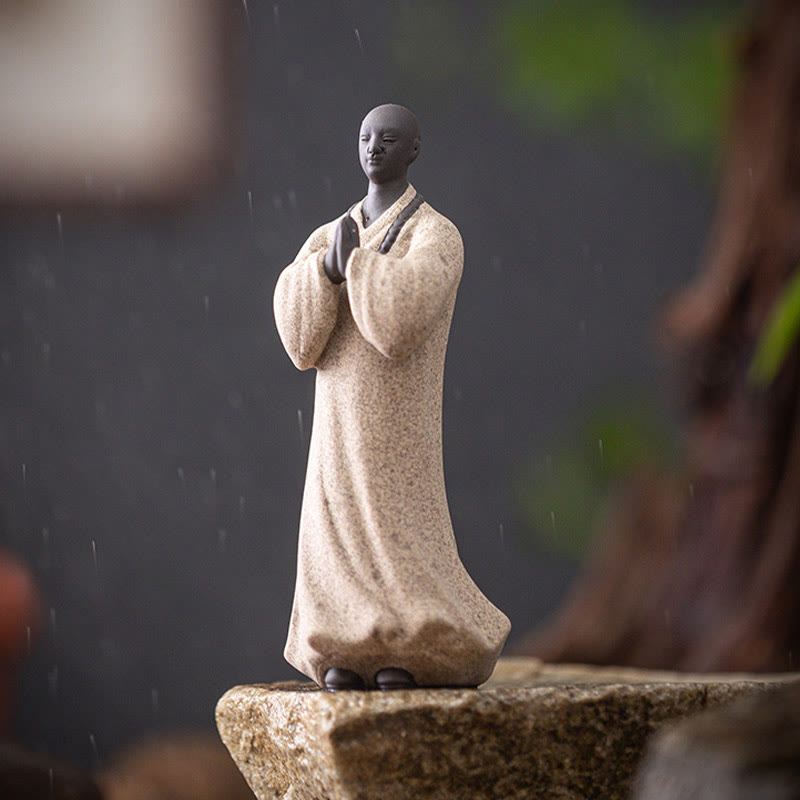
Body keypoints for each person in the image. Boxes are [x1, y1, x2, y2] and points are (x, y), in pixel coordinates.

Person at [274, 104, 510, 691]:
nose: (374, 148)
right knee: (334, 524)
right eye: (365, 137)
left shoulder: (435, 233)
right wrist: (323, 272)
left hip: (397, 420)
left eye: (389, 138)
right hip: (336, 420)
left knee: (396, 524)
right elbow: (299, 340)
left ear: (414, 150)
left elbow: (400, 322)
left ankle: (410, 645)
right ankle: (340, 646)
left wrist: (354, 264)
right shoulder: (330, 232)